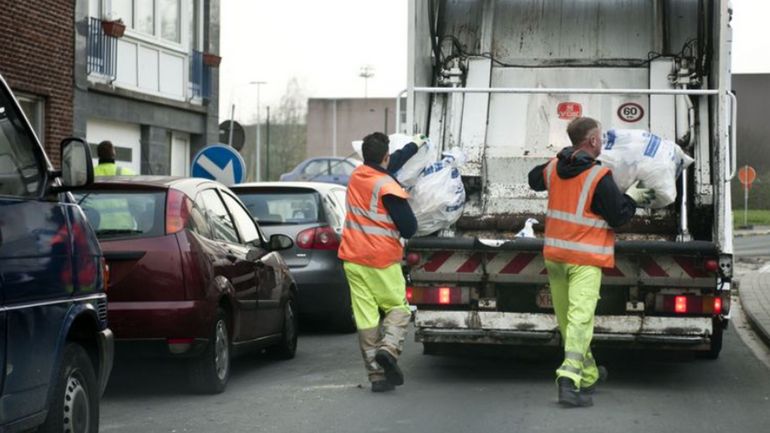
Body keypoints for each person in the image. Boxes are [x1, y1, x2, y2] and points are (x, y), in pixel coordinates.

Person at [528, 117, 655, 407]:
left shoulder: (554, 168)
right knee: (580, 320)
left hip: (556, 258)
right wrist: (633, 197)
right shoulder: (598, 176)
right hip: (584, 259)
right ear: (593, 141)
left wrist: (560, 157)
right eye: (599, 137)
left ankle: (588, 374)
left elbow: (533, 180)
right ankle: (569, 380)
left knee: (568, 322)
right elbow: (620, 216)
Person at [338, 132, 424, 393]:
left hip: (353, 258)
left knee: (366, 317)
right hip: (381, 260)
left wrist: (413, 146)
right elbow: (409, 228)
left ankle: (376, 376)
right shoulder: (388, 186)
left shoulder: (358, 175)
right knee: (398, 309)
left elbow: (389, 163)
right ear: (384, 156)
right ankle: (388, 349)